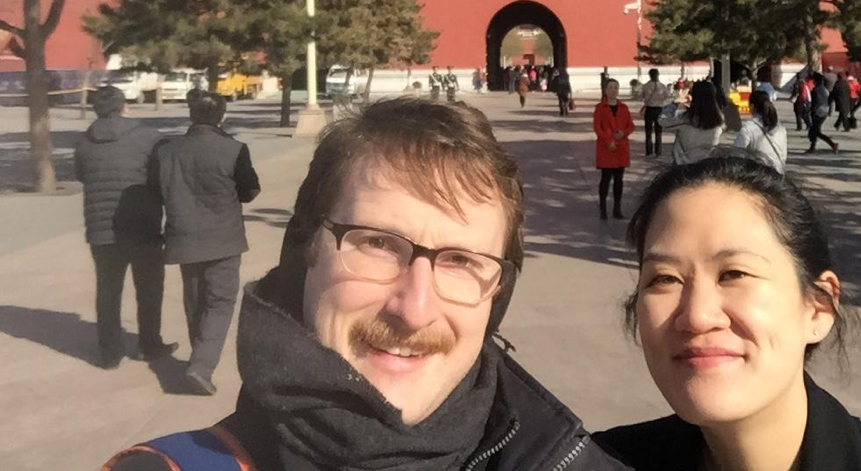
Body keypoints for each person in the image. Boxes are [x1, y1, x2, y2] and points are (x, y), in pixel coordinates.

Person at [106, 99, 628, 471]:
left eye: (461, 260)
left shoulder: (568, 460)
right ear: (303, 252)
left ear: (498, 296)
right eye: (378, 244)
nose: (414, 308)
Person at [594, 158, 861, 471]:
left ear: (819, 305)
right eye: (664, 279)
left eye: (734, 273)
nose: (697, 316)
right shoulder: (595, 463)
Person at [154, 91, 260, 395]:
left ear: (191, 114)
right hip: (224, 239)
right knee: (220, 302)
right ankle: (201, 365)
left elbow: (158, 188)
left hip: (184, 237)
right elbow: (249, 190)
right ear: (222, 117)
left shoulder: (168, 150)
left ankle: (198, 357)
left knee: (196, 301)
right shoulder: (234, 149)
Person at [74, 86, 176, 369]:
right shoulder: (149, 138)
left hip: (100, 226)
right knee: (149, 287)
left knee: (107, 289)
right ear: (123, 106)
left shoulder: (84, 141)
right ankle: (148, 344)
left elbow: (82, 175)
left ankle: (109, 352)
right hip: (143, 223)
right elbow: (162, 177)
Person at [593, 78, 635, 220]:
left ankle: (617, 208)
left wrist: (624, 133)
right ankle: (603, 208)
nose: (613, 90)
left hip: (621, 147)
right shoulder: (600, 108)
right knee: (605, 179)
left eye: (615, 88)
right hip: (606, 149)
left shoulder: (624, 108)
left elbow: (631, 125)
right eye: (610, 87)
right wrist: (608, 140)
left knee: (619, 180)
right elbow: (597, 128)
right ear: (605, 90)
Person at [662, 80, 725, 166]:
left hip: (684, 165)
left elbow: (662, 121)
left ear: (694, 96)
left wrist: (675, 103)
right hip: (707, 165)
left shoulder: (685, 118)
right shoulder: (719, 119)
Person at [733, 89, 788, 174]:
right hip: (778, 174)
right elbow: (783, 156)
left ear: (752, 106)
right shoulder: (780, 128)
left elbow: (735, 154)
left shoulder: (748, 129)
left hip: (759, 176)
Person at [807, 72, 839, 154]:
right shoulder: (825, 89)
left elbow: (814, 102)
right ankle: (812, 147)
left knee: (816, 131)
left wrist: (810, 110)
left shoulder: (816, 90)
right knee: (814, 130)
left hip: (817, 112)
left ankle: (832, 144)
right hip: (824, 111)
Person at [641, 68, 669, 157]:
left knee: (648, 132)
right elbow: (666, 97)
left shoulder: (645, 86)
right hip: (659, 110)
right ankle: (658, 151)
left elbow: (642, 96)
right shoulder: (663, 86)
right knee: (659, 132)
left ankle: (649, 151)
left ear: (649, 75)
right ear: (658, 75)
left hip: (649, 109)